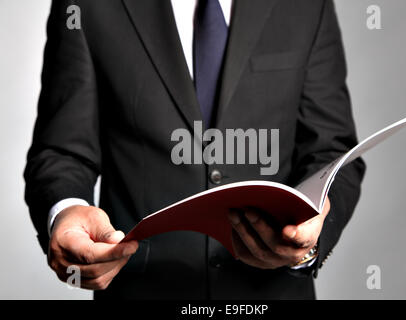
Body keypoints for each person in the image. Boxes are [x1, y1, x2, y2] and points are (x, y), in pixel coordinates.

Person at [24, 0, 365, 299]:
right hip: (140, 289)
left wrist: (311, 234)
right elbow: (61, 151)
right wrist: (64, 211)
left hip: (273, 292)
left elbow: (332, 149)